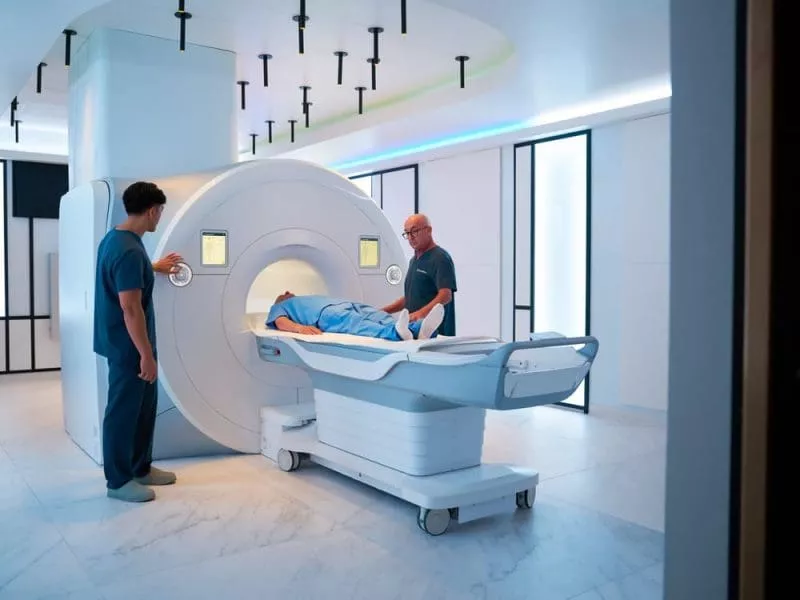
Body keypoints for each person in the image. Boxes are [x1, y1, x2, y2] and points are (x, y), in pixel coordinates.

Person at [93, 181, 183, 503]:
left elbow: (126, 274)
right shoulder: (129, 251)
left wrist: (154, 267)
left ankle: (140, 467)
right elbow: (130, 308)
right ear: (152, 211)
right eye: (160, 211)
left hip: (126, 341)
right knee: (123, 412)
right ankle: (118, 481)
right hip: (129, 346)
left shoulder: (118, 239)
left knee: (144, 409)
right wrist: (145, 355)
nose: (160, 216)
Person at [381, 213, 457, 336]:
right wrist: (384, 311)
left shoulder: (440, 258)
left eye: (414, 231)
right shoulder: (414, 261)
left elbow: (445, 295)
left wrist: (420, 314)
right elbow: (410, 298)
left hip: (437, 333)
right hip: (415, 331)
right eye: (407, 233)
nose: (410, 237)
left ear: (428, 230)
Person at [266, 292, 445, 341]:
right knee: (360, 324)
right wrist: (300, 328)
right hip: (326, 315)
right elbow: (280, 322)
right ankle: (395, 334)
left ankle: (418, 329)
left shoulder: (305, 298)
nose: (288, 292)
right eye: (285, 293)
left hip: (344, 304)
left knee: (378, 315)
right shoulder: (280, 306)